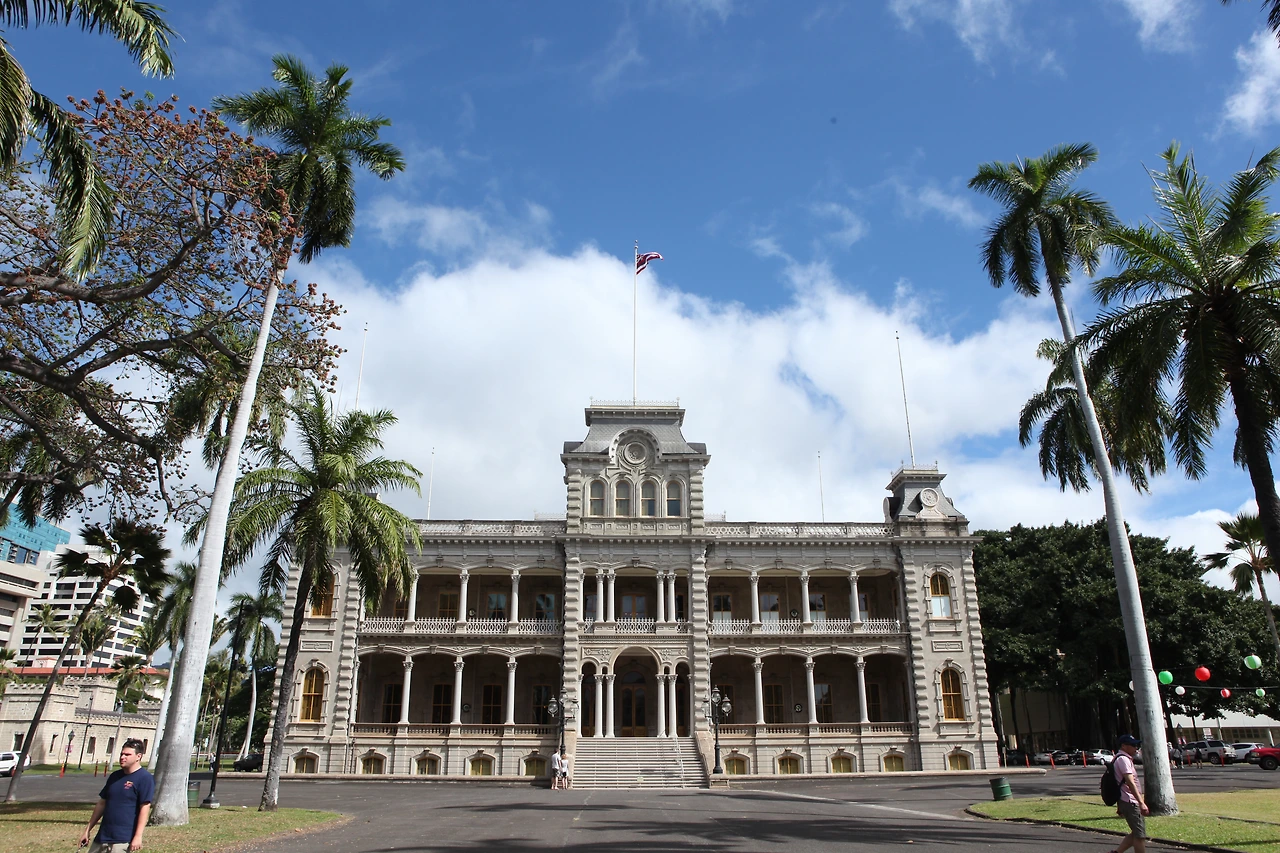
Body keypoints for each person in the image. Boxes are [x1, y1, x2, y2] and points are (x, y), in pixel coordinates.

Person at [79, 738, 154, 853]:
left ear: (138, 756)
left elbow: (144, 808)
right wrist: (87, 830)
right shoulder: (115, 776)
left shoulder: (145, 778)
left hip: (122, 840)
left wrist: (138, 836)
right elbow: (102, 803)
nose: (122, 757)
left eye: (127, 754)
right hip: (102, 837)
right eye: (122, 754)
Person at [1108, 734, 1149, 853]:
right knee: (1140, 835)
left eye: (1136, 745)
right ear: (1123, 746)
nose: (1136, 747)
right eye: (1133, 745)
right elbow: (1130, 782)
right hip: (1130, 801)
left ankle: (1117, 852)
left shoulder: (1119, 758)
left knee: (1136, 832)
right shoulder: (1123, 759)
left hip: (1125, 800)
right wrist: (1141, 802)